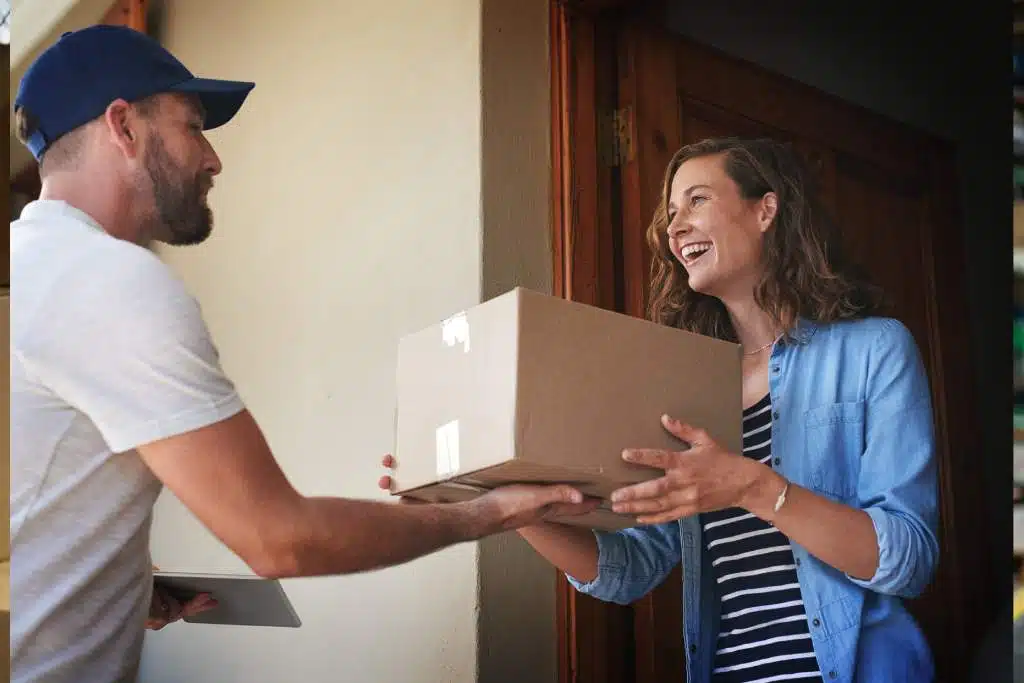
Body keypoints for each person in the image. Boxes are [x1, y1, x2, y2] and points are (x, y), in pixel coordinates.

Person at [9, 25, 596, 683]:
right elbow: (278, 538)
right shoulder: (110, 281)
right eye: (193, 125)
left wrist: (109, 588)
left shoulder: (30, 272)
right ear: (123, 126)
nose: (212, 158)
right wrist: (486, 512)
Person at [384, 137, 940, 682]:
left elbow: (908, 560)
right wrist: (508, 505)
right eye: (671, 212)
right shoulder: (683, 390)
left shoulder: (874, 350)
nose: (674, 228)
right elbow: (630, 569)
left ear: (765, 208)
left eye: (697, 200)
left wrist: (751, 487)